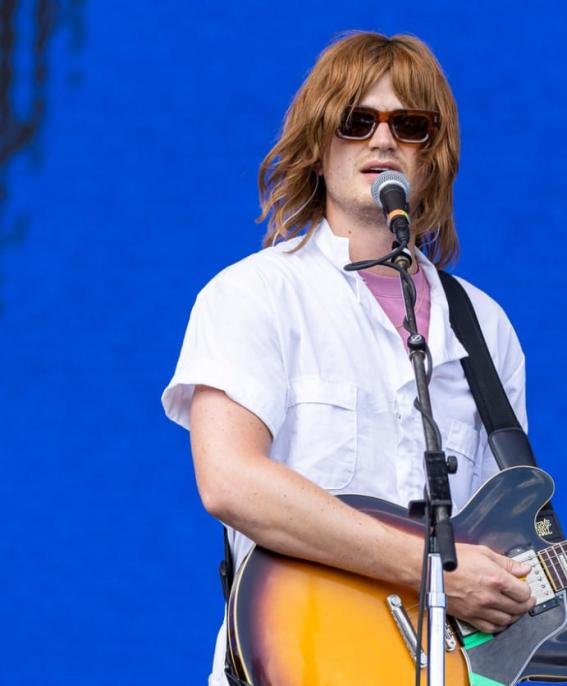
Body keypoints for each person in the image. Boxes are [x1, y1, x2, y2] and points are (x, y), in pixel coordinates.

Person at [161, 31, 534, 685]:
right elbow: (229, 481)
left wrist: (513, 587)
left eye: (409, 124)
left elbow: (494, 540)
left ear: (433, 152)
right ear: (317, 142)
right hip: (293, 663)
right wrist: (429, 566)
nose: (383, 141)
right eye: (357, 121)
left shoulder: (486, 326)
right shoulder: (254, 294)